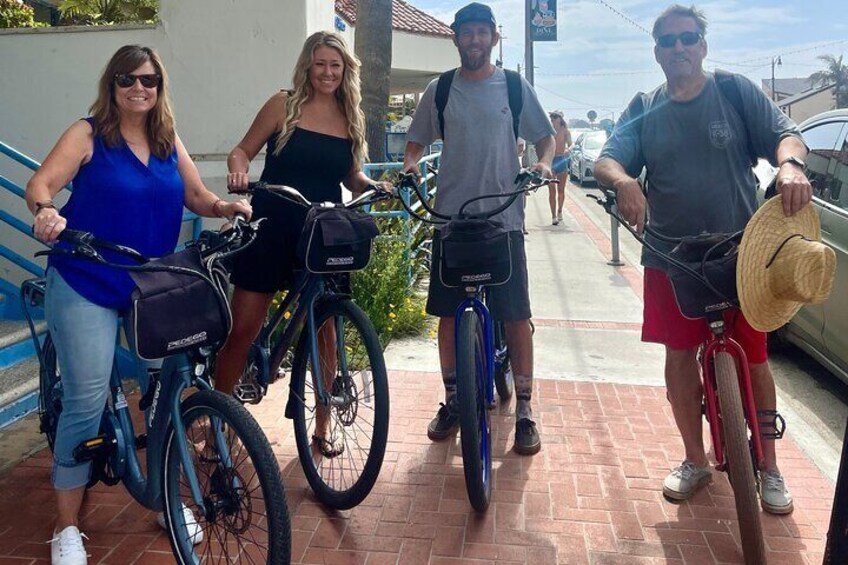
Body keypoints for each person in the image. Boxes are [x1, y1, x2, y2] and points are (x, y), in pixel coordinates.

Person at [25, 45, 252, 564]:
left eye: (148, 80)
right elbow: (41, 183)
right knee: (85, 399)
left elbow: (196, 196)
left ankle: (164, 496)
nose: (139, 88)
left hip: (148, 286)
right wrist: (44, 211)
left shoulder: (168, 140)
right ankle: (66, 528)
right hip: (86, 279)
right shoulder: (88, 134)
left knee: (162, 389)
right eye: (127, 79)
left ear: (159, 86)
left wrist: (224, 206)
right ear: (113, 84)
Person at [594, 4, 811, 514]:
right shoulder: (645, 107)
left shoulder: (733, 91)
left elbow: (786, 134)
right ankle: (694, 458)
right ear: (657, 53)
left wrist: (792, 167)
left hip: (739, 253)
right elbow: (606, 158)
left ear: (703, 47)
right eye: (668, 41)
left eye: (688, 38)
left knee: (755, 357)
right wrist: (625, 181)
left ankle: (771, 465)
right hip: (670, 256)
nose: (679, 48)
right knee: (677, 358)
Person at [214, 32, 387, 457]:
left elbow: (350, 177)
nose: (328, 72)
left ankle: (322, 426)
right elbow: (241, 151)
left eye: (336, 65)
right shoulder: (283, 104)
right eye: (320, 64)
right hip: (274, 220)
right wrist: (238, 173)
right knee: (244, 329)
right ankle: (218, 419)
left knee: (326, 328)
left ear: (346, 70)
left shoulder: (351, 115)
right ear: (307, 66)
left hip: (322, 231)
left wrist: (371, 184)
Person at [402, 2, 555, 455]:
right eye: (466, 32)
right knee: (448, 317)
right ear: (456, 38)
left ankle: (525, 409)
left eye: (481, 33)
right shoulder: (440, 89)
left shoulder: (512, 86)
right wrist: (410, 167)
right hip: (450, 220)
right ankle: (453, 399)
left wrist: (543, 164)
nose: (474, 40)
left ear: (493, 37)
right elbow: (416, 143)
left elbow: (546, 138)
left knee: (516, 316)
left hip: (503, 218)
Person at [549, 111, 572, 225]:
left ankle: (560, 211)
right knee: (551, 189)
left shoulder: (565, 131)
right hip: (551, 160)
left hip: (561, 159)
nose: (552, 119)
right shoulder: (549, 130)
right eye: (551, 117)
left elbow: (570, 144)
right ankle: (553, 216)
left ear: (560, 119)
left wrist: (568, 149)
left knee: (561, 190)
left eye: (554, 117)